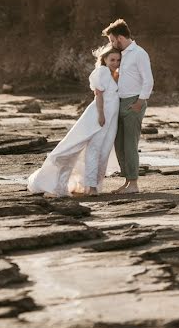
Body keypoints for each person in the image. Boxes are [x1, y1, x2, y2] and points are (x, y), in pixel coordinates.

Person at [27, 45, 121, 197]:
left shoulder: (113, 74)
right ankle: (91, 187)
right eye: (112, 59)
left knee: (104, 152)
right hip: (99, 117)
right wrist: (101, 115)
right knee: (94, 149)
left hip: (112, 120)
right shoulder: (102, 72)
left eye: (118, 60)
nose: (115, 62)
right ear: (104, 59)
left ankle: (93, 185)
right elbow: (99, 96)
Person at [103, 18, 154, 194]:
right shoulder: (122, 54)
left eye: (111, 40)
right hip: (120, 102)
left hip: (134, 102)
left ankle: (133, 184)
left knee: (130, 144)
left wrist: (140, 102)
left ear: (120, 38)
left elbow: (148, 80)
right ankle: (127, 181)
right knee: (119, 144)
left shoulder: (140, 53)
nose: (111, 44)